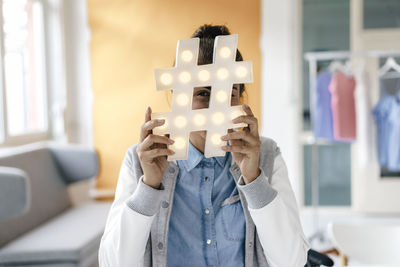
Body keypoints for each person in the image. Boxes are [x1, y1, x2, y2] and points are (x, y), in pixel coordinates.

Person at [98, 24, 310, 267]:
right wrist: (148, 187)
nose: (215, 107)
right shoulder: (141, 161)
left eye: (229, 92)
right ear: (178, 94)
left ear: (241, 98)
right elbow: (113, 263)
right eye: (203, 93)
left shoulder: (266, 155)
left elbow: (292, 261)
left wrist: (254, 181)